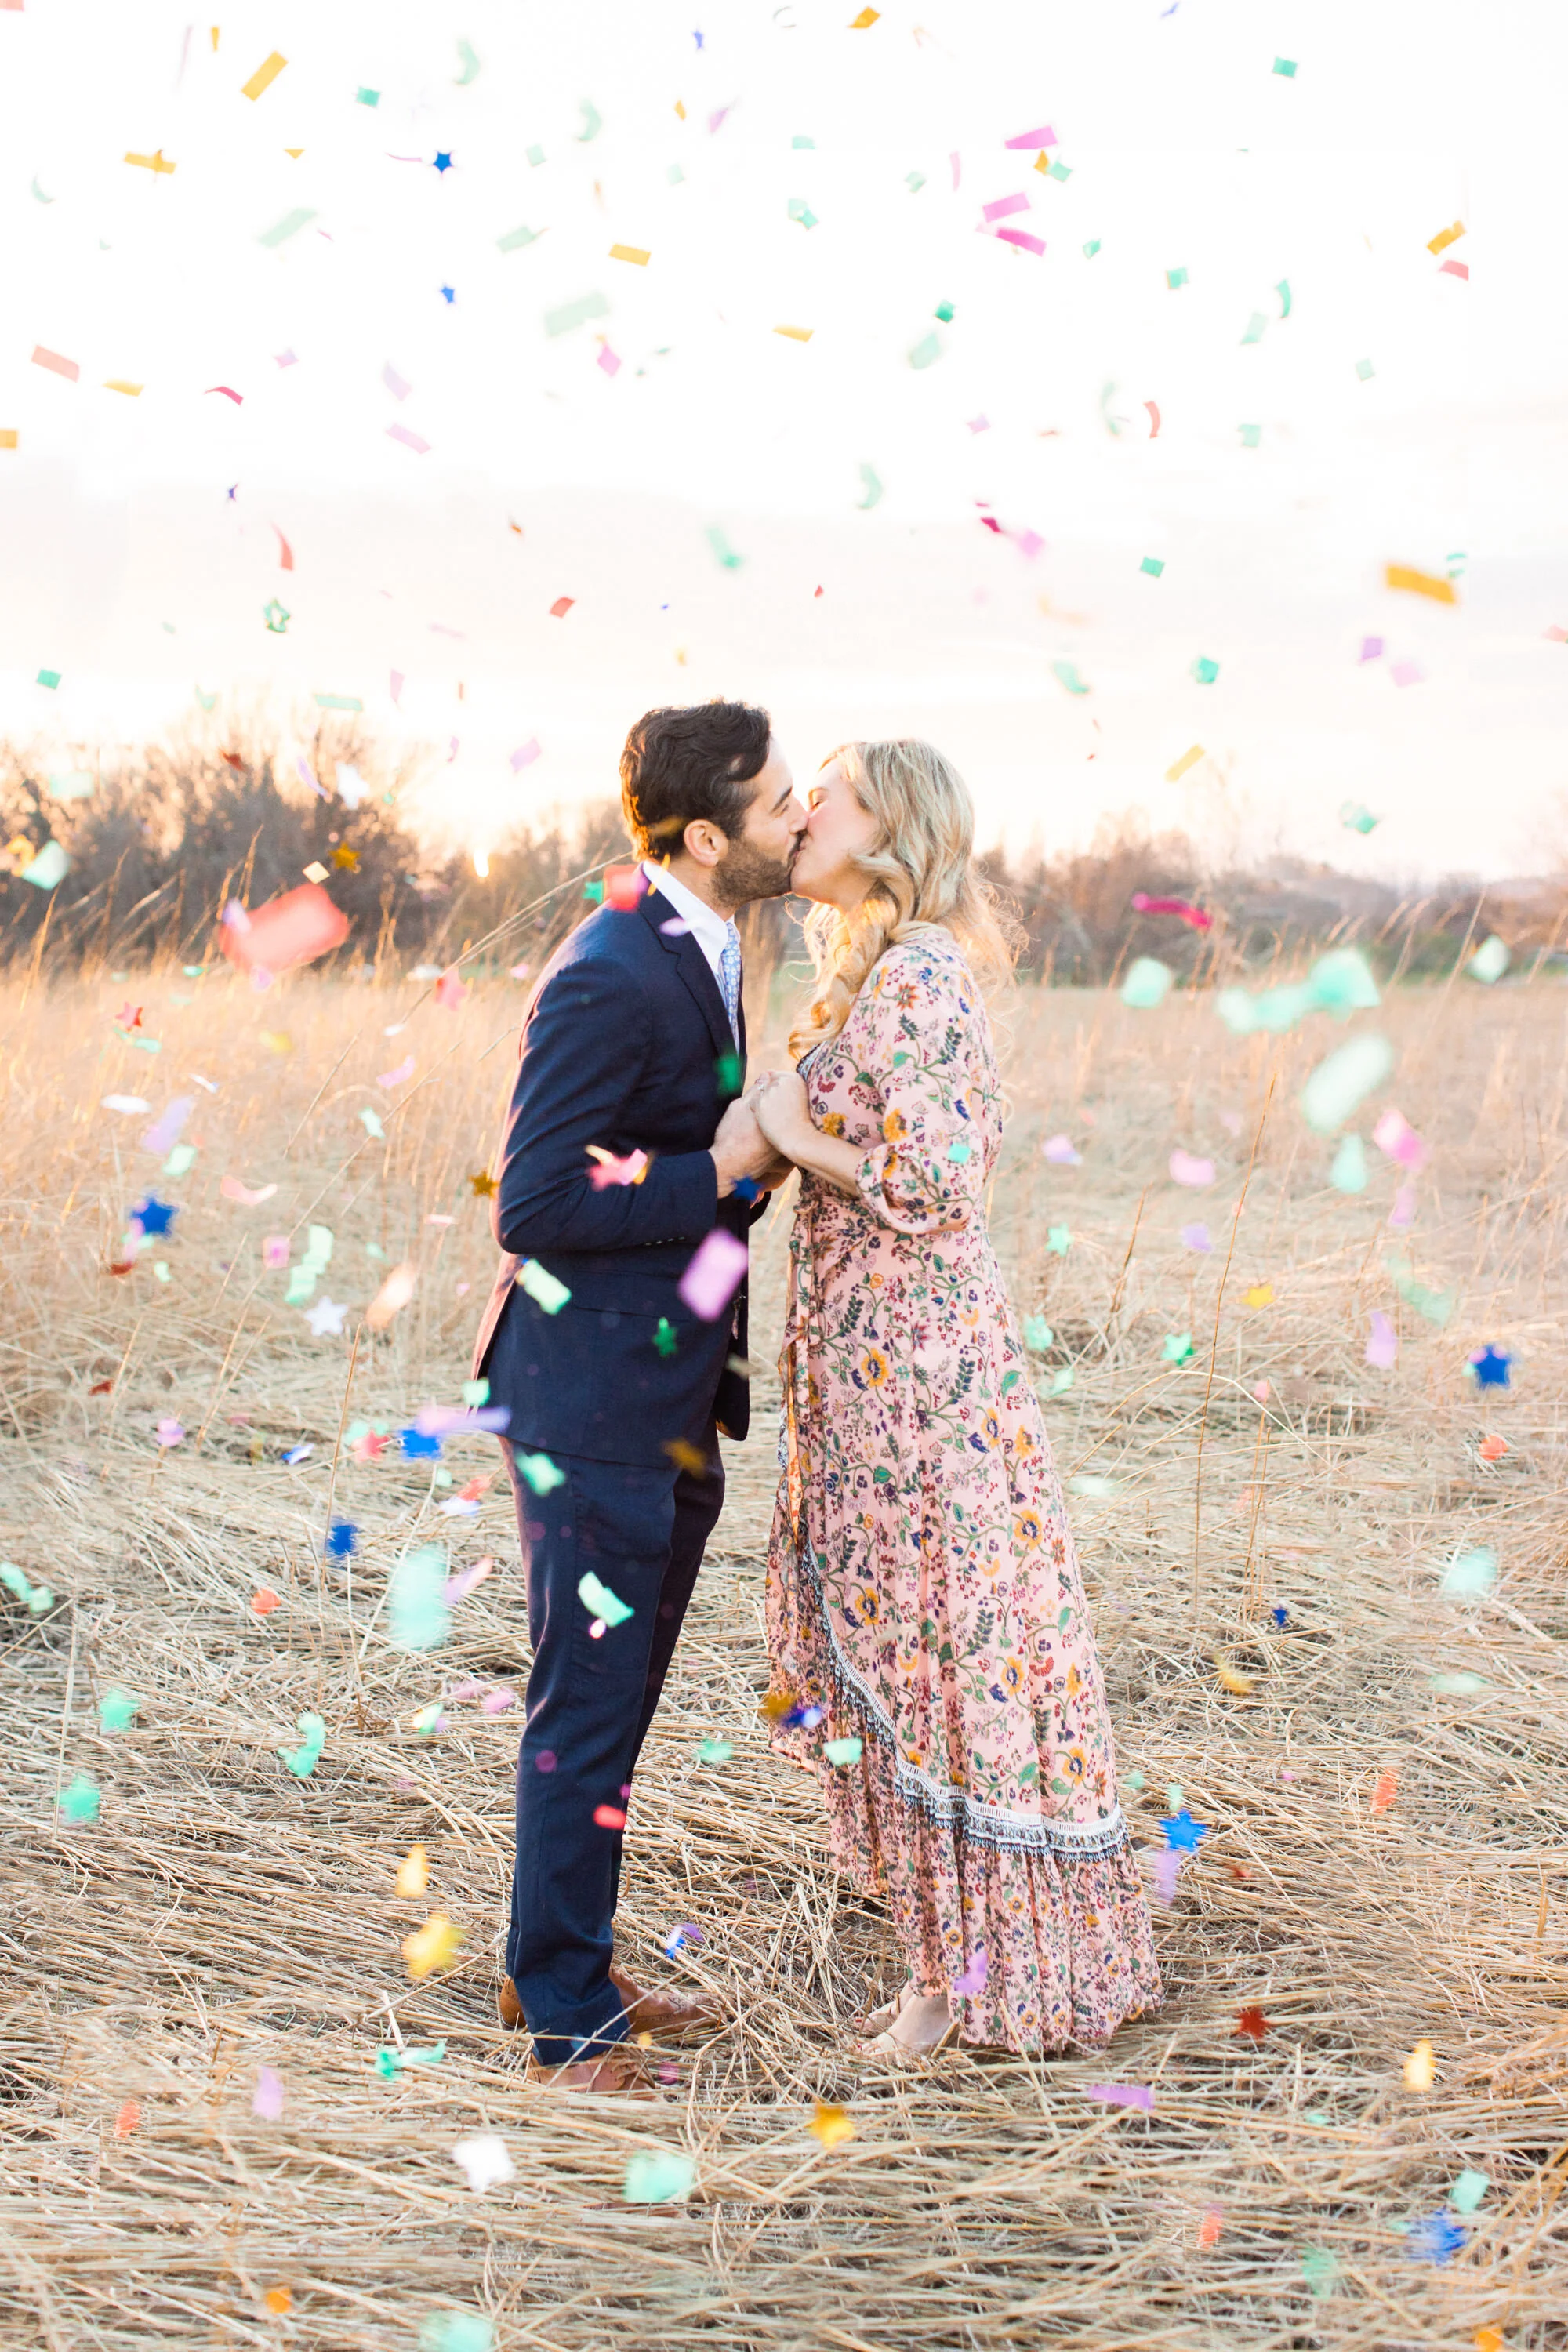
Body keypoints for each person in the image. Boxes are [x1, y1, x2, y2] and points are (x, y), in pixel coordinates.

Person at [750, 739, 1161, 2060]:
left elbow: (938, 1183)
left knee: (941, 1651)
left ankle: (960, 1980)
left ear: (893, 831)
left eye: (832, 793)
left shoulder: (921, 973)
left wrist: (795, 1134)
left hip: (923, 1387)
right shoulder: (877, 970)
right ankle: (950, 1959)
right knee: (916, 1647)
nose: (805, 810)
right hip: (880, 1372)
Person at [474, 699, 806, 2092]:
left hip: (663, 1396)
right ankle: (564, 2023)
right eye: (780, 800)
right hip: (589, 1403)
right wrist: (722, 1169)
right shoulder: (614, 966)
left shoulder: (705, 946)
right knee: (586, 1709)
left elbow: (683, 1167)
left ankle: (560, 1959)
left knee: (617, 1704)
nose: (802, 816)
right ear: (709, 836)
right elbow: (537, 1202)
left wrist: (753, 1172)